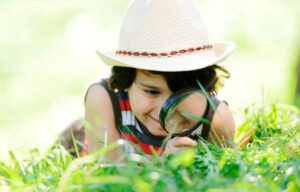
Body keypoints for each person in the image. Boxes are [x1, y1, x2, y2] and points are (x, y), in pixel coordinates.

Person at [59, 0, 236, 158]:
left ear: (204, 87)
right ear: (126, 79)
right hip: (78, 147)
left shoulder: (216, 120)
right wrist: (163, 167)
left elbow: (221, 173)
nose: (164, 110)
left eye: (181, 93)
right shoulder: (103, 98)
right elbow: (108, 176)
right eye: (151, 92)